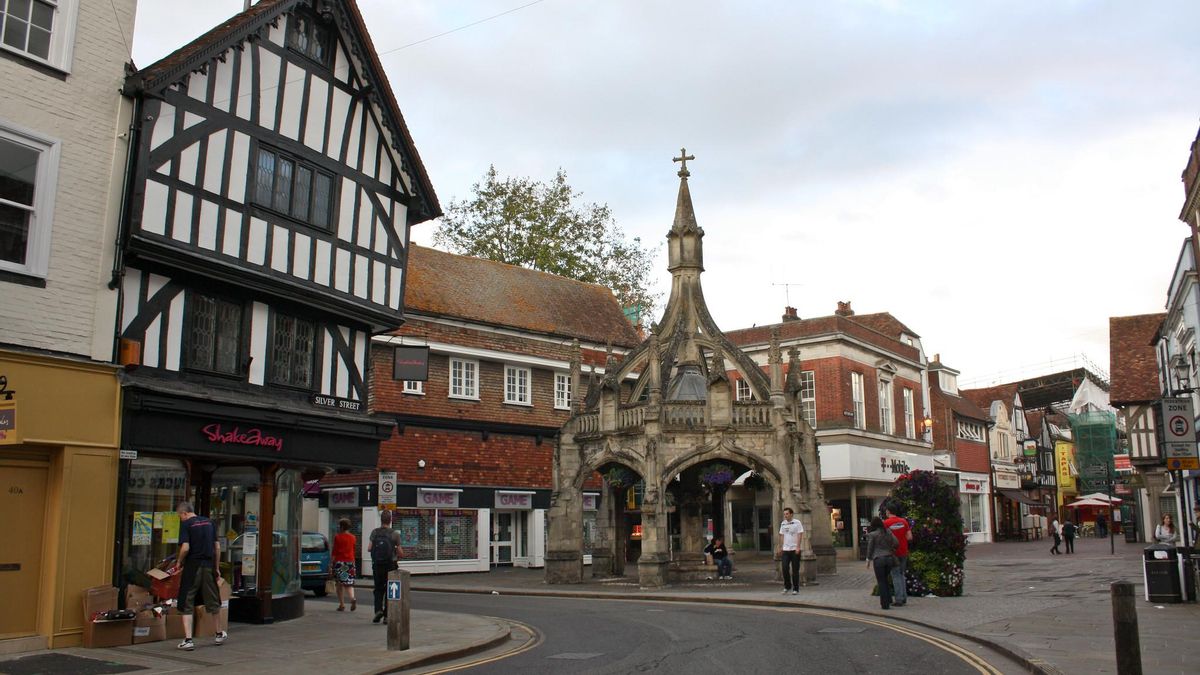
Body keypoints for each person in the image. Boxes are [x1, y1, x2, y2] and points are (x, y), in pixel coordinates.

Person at [172, 501, 226, 651]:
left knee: (187, 599)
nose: (180, 519)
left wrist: (178, 562)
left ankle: (188, 639)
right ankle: (219, 633)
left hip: (192, 566)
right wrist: (216, 567)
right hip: (208, 565)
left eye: (179, 516)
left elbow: (185, 547)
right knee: (213, 599)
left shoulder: (187, 524)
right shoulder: (210, 523)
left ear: (184, 513)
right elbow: (217, 546)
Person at [368, 509, 404, 624]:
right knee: (390, 590)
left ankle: (378, 610)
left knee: (378, 589)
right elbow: (400, 553)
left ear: (381, 520)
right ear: (390, 520)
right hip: (390, 566)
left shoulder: (375, 532)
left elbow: (369, 548)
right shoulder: (395, 534)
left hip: (377, 565)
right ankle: (387, 616)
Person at [865, 516, 900, 610]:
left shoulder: (872, 534)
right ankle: (889, 599)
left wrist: (868, 559)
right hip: (889, 558)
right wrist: (891, 549)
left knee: (881, 581)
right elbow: (896, 543)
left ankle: (885, 604)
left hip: (878, 559)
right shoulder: (888, 532)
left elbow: (870, 548)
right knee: (885, 579)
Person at [883, 504, 911, 607]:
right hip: (903, 551)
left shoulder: (886, 523)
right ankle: (904, 597)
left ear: (888, 512)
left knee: (895, 575)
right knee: (901, 574)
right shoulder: (903, 522)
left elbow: (884, 539)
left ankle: (898, 599)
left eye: (886, 512)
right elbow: (909, 537)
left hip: (893, 553)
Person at [331, 518, 357, 611]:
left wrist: (331, 564)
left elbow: (334, 551)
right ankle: (352, 598)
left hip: (340, 562)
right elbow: (353, 550)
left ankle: (342, 604)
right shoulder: (353, 537)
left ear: (341, 527)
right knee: (349, 583)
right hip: (350, 562)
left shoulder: (337, 537)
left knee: (339, 584)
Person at [778, 507, 805, 595]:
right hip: (786, 549)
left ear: (791, 514)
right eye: (784, 514)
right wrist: (781, 547)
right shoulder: (783, 524)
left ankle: (796, 588)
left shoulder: (797, 523)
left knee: (795, 570)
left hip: (794, 549)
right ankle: (787, 586)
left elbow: (800, 535)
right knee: (785, 568)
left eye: (787, 514)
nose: (785, 516)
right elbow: (782, 536)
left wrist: (798, 547)